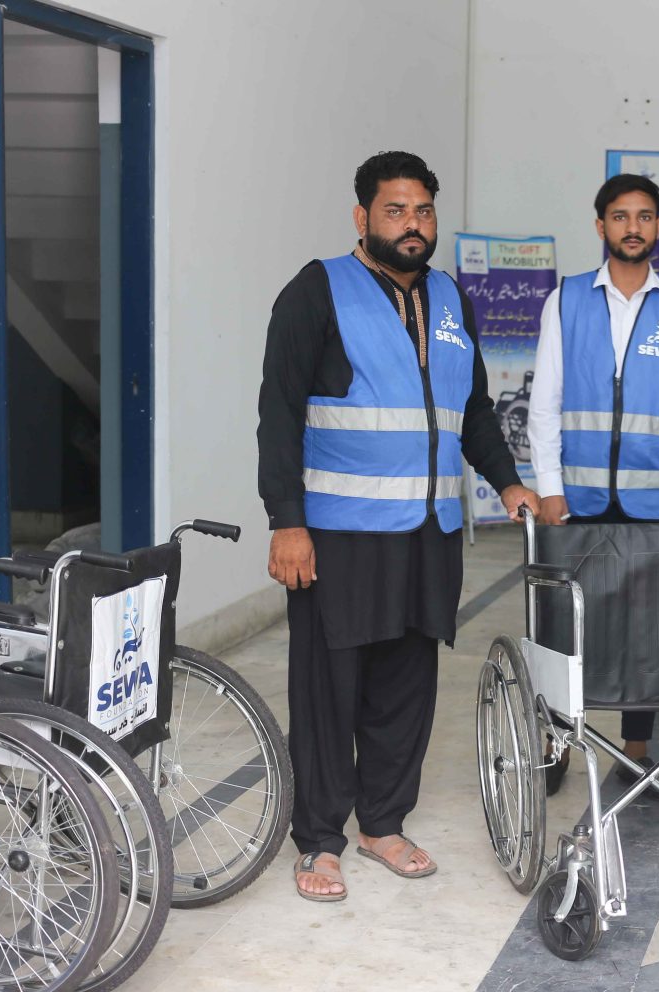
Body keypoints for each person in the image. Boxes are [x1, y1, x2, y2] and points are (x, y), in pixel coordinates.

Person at [257, 151, 538, 902]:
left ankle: (383, 823)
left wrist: (509, 481)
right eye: (396, 210)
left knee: (406, 686)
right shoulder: (318, 290)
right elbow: (278, 415)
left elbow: (471, 410)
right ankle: (320, 841)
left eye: (423, 211)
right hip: (340, 533)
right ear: (363, 217)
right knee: (330, 690)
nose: (413, 225)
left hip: (428, 532)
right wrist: (287, 523)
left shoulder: (449, 299)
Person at [527, 173, 659, 794]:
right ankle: (556, 736)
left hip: (654, 501)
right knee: (564, 624)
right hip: (576, 499)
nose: (632, 227)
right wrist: (548, 484)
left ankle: (636, 747)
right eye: (620, 216)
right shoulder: (566, 300)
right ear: (600, 224)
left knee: (645, 631)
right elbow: (545, 401)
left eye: (644, 216)